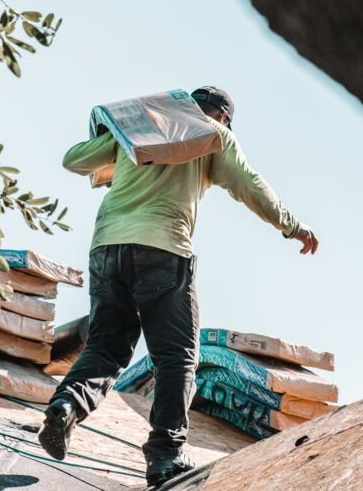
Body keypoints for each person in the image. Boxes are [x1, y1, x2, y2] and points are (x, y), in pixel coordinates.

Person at [38, 86, 319, 487]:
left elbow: (73, 160)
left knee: (105, 346)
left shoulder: (142, 128)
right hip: (164, 250)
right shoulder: (215, 136)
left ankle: (66, 405)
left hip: (107, 248)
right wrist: (293, 226)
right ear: (223, 117)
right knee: (178, 357)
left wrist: (114, 136)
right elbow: (249, 185)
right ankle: (166, 454)